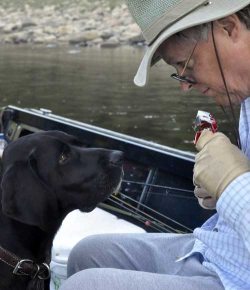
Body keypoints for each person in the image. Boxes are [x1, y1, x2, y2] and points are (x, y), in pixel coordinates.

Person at [60, 1, 250, 289]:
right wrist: (221, 191)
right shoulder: (244, 94)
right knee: (88, 254)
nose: (184, 85)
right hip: (226, 252)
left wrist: (232, 184)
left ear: (229, 28)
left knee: (83, 285)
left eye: (184, 64)